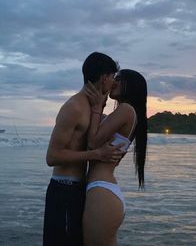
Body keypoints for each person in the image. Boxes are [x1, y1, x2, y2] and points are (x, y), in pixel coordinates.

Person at [43, 52, 124, 246]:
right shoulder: (75, 107)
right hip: (63, 189)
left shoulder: (93, 107)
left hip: (80, 189)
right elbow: (52, 156)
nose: (114, 82)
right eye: (113, 77)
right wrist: (97, 154)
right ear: (104, 78)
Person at [83, 69, 148, 246]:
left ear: (130, 86)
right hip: (103, 190)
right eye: (115, 78)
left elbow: (93, 141)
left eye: (120, 79)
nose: (114, 82)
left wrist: (97, 108)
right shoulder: (125, 113)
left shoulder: (126, 110)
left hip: (101, 191)